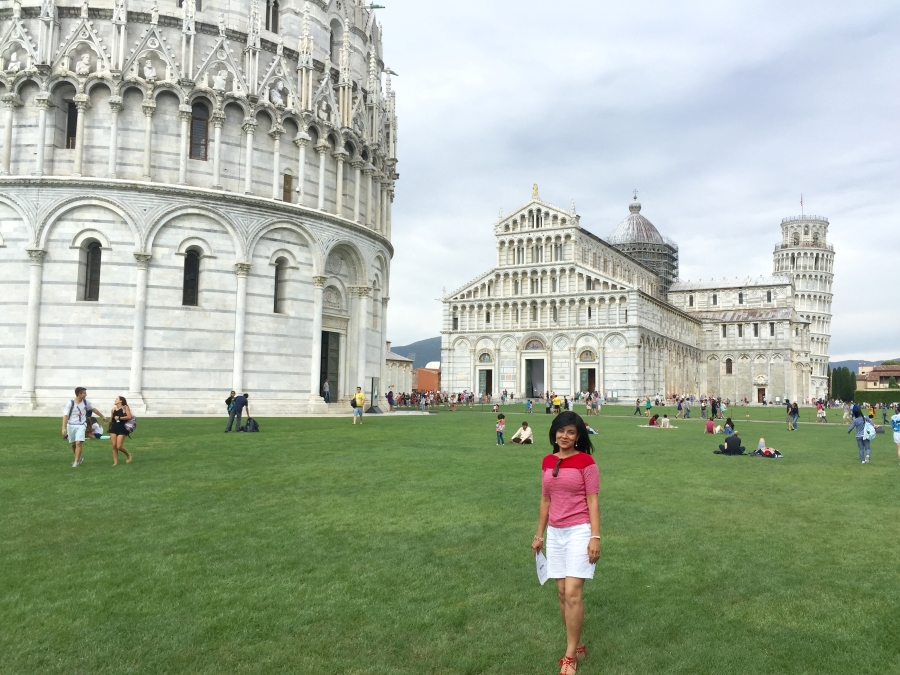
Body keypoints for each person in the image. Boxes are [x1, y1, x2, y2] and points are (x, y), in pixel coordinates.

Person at [532, 412, 600, 675]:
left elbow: (593, 501)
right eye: (561, 431)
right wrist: (539, 536)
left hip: (580, 531)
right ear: (554, 433)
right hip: (555, 533)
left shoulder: (586, 462)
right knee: (561, 594)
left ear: (579, 436)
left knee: (573, 593)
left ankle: (570, 656)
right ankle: (578, 643)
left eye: (571, 432)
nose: (565, 436)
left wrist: (595, 536)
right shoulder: (548, 461)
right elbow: (545, 500)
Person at [62, 387, 108, 468]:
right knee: (73, 444)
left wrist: (102, 416)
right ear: (79, 394)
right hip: (71, 425)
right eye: (84, 393)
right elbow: (65, 416)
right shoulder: (70, 403)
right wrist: (63, 427)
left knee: (78, 442)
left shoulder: (86, 402)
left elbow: (94, 409)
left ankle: (75, 462)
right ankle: (79, 458)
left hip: (81, 425)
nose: (86, 394)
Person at [108, 396, 133, 465]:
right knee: (114, 445)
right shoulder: (113, 409)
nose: (115, 400)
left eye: (116, 399)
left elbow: (129, 417)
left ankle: (128, 454)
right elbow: (112, 419)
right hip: (114, 428)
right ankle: (115, 462)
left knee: (119, 446)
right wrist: (109, 427)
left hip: (122, 428)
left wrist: (119, 417)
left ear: (121, 401)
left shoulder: (125, 408)